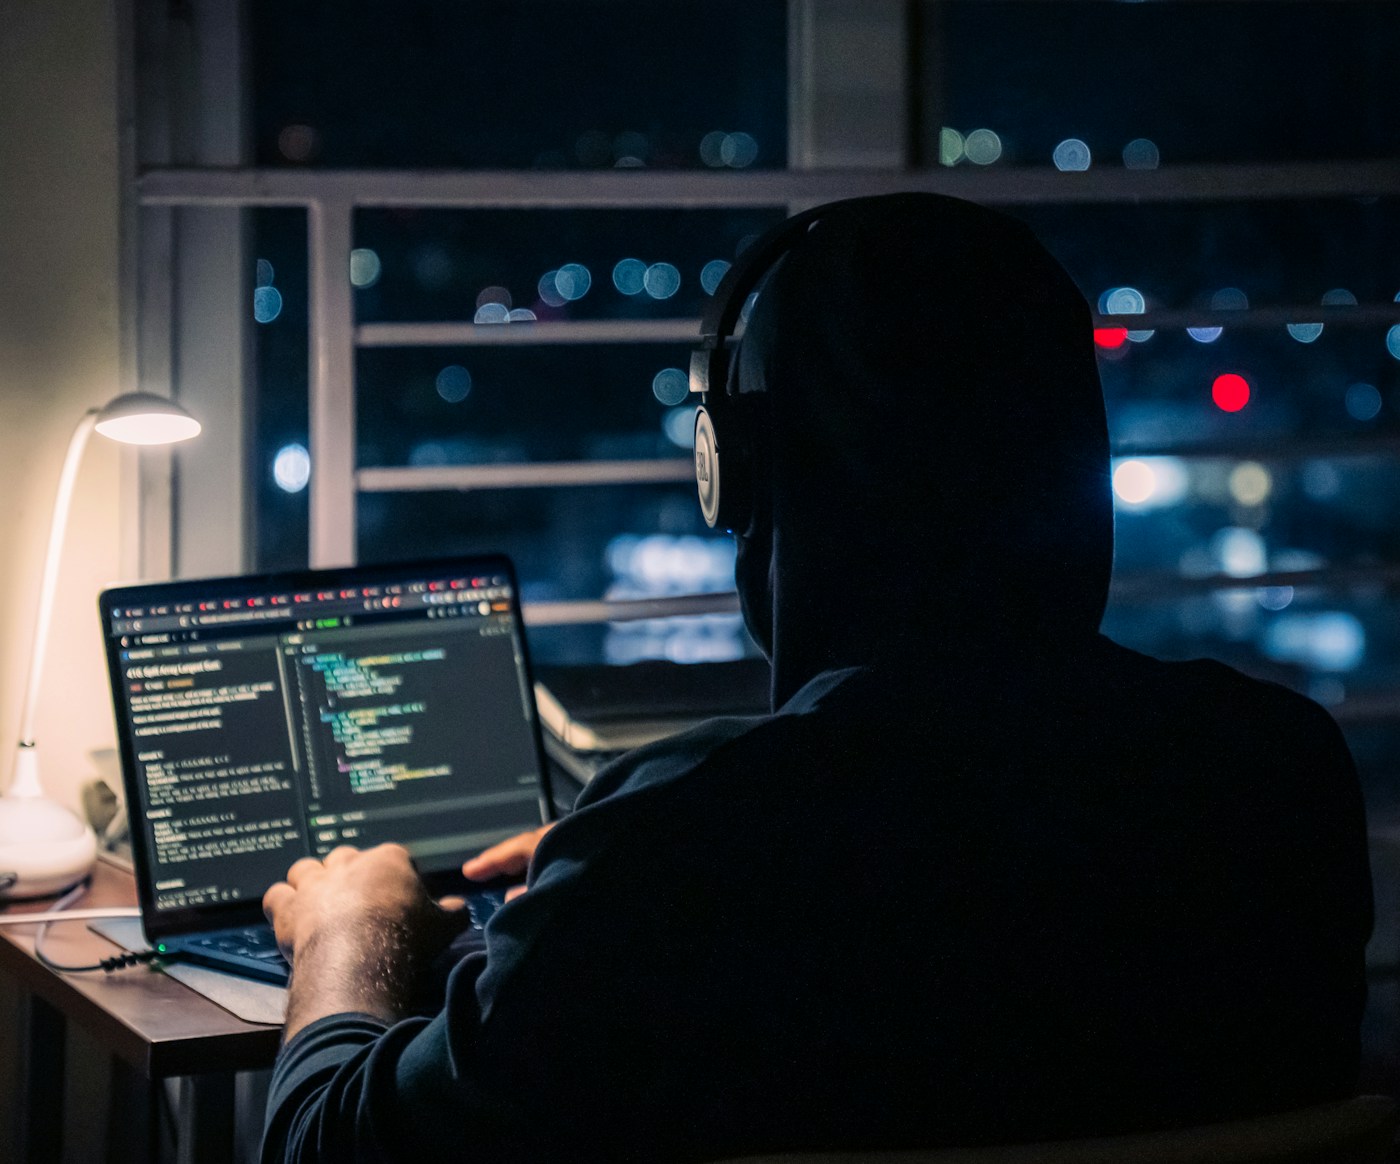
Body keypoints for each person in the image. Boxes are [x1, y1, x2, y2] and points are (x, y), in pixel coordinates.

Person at [261, 194, 1372, 1163]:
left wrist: (348, 937)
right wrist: (594, 881)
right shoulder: (1274, 780)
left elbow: (326, 1147)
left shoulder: (676, 859)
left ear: (738, 480)